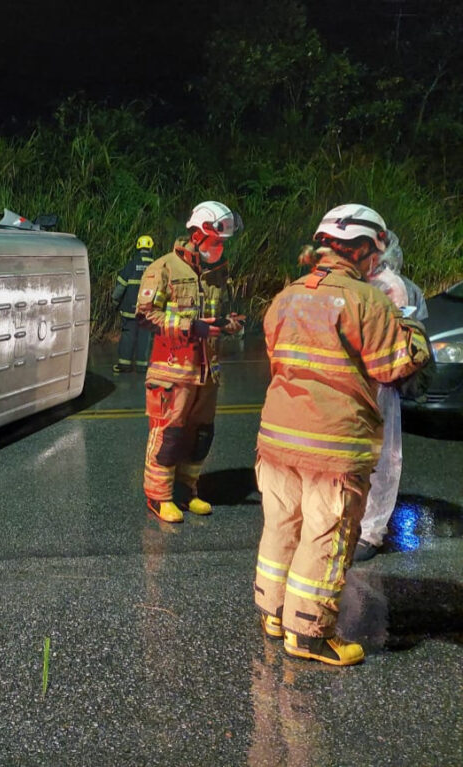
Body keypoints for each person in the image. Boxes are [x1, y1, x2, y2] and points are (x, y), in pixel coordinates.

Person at [253, 204, 431, 666]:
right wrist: (409, 326)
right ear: (365, 251)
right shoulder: (367, 301)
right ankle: (309, 634)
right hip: (331, 445)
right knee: (326, 536)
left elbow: (275, 353)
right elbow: (396, 364)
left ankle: (274, 614)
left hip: (276, 439)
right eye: (376, 251)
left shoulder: (287, 294)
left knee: (281, 527)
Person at [135, 201, 244, 524]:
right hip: (172, 370)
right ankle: (159, 496)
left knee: (200, 435)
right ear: (197, 234)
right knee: (169, 434)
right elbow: (145, 315)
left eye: (223, 243)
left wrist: (229, 323)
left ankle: (186, 491)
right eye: (216, 241)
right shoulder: (164, 268)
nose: (220, 248)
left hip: (207, 370)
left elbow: (217, 311)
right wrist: (188, 326)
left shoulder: (216, 273)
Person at [356, 230, 426, 561]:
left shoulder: (389, 285)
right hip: (356, 379)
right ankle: (354, 522)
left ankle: (370, 532)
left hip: (378, 380)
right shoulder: (357, 281)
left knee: (381, 455)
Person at [112, 235, 156, 374]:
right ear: (150, 248)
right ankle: (143, 366)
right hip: (147, 310)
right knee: (145, 336)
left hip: (130, 308)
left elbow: (120, 286)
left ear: (138, 247)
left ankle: (124, 365)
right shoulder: (156, 266)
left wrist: (115, 300)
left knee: (128, 335)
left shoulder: (131, 264)